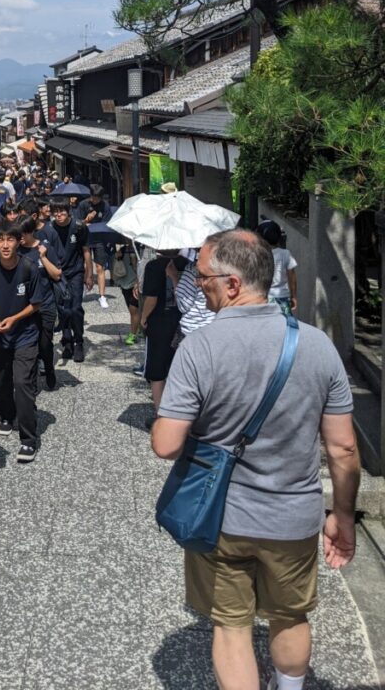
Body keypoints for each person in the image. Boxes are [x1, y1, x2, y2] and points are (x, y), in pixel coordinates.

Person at [152, 230, 360, 690]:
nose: (198, 285)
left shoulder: (198, 348)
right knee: (290, 615)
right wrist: (342, 516)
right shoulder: (317, 345)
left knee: (232, 626)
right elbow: (344, 449)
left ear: (231, 284)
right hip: (294, 517)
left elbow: (166, 445)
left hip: (221, 519)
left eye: (203, 277)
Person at [0, 220, 46, 461]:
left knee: (22, 383)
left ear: (18, 241)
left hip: (25, 334)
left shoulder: (29, 267)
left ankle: (29, 439)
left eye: (10, 239)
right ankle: (7, 416)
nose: (5, 245)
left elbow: (36, 302)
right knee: (1, 383)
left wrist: (14, 318)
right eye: (1, 240)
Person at [48, 196, 93, 362]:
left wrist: (89, 274)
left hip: (76, 271)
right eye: (55, 212)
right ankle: (67, 341)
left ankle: (79, 341)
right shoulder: (50, 228)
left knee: (75, 308)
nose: (58, 215)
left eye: (61, 211)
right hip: (58, 273)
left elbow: (86, 250)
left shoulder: (79, 227)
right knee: (62, 309)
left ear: (69, 211)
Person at [140, 248, 182, 421]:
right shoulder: (186, 264)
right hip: (181, 321)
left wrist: (143, 318)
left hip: (158, 321)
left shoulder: (154, 266)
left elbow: (152, 299)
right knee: (176, 368)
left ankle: (161, 415)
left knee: (156, 370)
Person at [19, 215, 60, 389]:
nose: (19, 237)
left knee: (44, 343)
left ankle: (49, 368)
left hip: (46, 303)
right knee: (30, 345)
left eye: (23, 234)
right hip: (25, 306)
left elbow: (57, 275)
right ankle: (32, 381)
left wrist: (43, 257)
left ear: (31, 232)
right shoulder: (16, 251)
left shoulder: (45, 247)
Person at [76, 184, 112, 308]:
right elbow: (77, 223)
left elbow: (107, 223)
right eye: (93, 197)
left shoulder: (105, 206)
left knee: (100, 267)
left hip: (99, 239)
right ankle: (83, 289)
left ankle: (102, 296)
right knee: (84, 265)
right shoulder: (83, 205)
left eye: (98, 198)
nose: (95, 200)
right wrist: (86, 220)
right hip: (85, 238)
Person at [257, 220, 299, 317]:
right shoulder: (285, 254)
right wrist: (294, 296)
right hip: (282, 296)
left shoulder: (258, 255)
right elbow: (292, 278)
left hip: (263, 297)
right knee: (287, 324)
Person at [113, 243, 141, 345]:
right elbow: (117, 266)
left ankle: (133, 334)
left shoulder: (141, 249)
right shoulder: (123, 249)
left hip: (137, 283)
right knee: (131, 309)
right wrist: (118, 257)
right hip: (125, 283)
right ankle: (139, 327)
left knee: (134, 308)